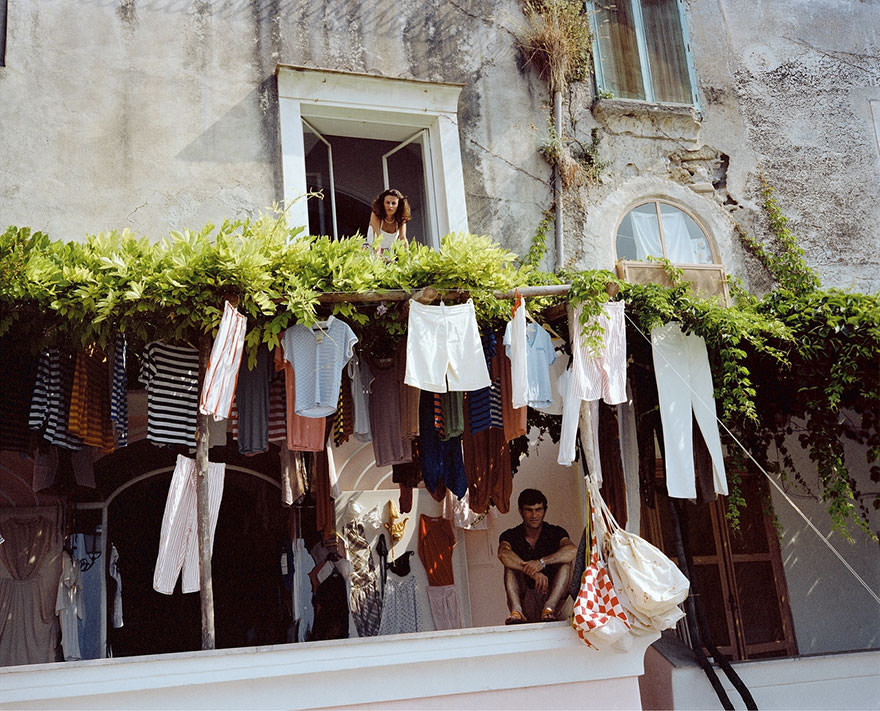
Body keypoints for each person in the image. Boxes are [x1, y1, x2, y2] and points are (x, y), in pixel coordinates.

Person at [497, 488, 576, 624]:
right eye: (529, 510)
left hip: (554, 601)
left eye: (538, 509)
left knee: (566, 564)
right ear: (521, 511)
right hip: (526, 599)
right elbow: (503, 554)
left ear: (545, 510)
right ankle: (517, 612)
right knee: (510, 567)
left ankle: (549, 609)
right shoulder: (510, 535)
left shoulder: (555, 532)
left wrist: (542, 562)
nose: (534, 515)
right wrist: (532, 572)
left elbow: (572, 550)